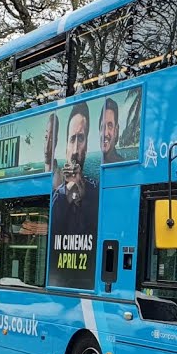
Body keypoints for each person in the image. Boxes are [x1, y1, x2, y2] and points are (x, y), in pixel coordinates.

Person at [48, 103, 100, 288]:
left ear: (87, 145)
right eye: (72, 140)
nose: (76, 149)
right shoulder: (56, 194)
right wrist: (67, 190)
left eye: (81, 138)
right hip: (56, 282)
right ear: (66, 148)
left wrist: (81, 191)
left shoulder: (97, 190)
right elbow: (50, 229)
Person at [43, 112, 63, 191]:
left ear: (56, 142)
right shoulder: (38, 175)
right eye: (46, 137)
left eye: (51, 139)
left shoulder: (59, 178)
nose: (47, 146)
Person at [100, 97, 123, 164]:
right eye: (102, 127)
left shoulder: (121, 164)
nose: (105, 133)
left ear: (116, 130)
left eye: (110, 126)